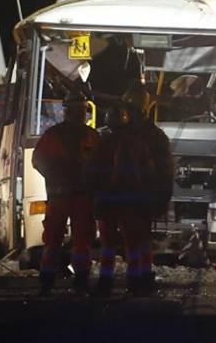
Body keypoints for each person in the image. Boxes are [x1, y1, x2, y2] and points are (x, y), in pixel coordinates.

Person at [87, 84, 174, 297]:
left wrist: (94, 196)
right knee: (138, 242)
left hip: (112, 201)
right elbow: (158, 172)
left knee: (114, 244)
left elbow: (91, 172)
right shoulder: (148, 139)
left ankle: (108, 282)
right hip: (136, 201)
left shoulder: (105, 141)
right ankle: (138, 281)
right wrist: (160, 198)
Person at [32, 87, 101, 296]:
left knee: (77, 239)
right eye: (77, 110)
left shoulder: (81, 135)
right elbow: (39, 161)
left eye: (82, 110)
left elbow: (39, 160)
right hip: (67, 195)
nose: (80, 113)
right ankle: (57, 281)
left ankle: (63, 281)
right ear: (69, 111)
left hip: (73, 195)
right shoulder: (83, 136)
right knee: (60, 239)